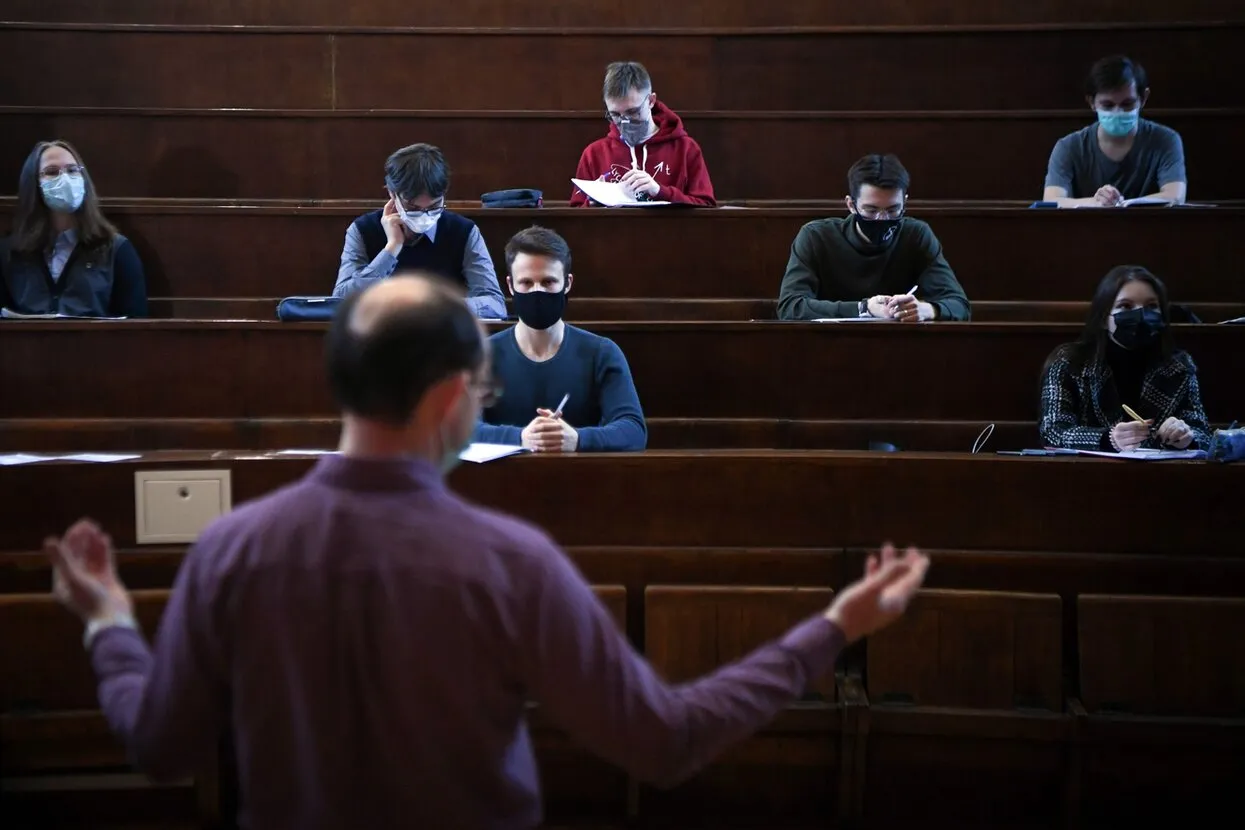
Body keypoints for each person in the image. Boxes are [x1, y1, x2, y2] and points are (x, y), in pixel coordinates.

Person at [43, 272, 930, 830]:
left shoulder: (232, 550)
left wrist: (112, 625)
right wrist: (831, 628)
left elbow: (158, 746)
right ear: (448, 399)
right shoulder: (511, 560)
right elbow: (666, 741)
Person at [475, 226, 646, 452]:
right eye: (526, 282)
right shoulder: (481, 355)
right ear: (510, 286)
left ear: (567, 283)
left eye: (548, 282)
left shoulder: (602, 353)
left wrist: (576, 439)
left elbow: (633, 430)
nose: (537, 291)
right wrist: (521, 438)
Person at [777, 154, 971, 321]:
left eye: (893, 210)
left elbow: (959, 305)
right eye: (871, 210)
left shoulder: (916, 235)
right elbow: (790, 307)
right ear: (851, 205)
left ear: (904, 203)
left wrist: (926, 310)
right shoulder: (815, 237)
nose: (882, 219)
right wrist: (864, 308)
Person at [1040, 265, 1211, 452]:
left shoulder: (1179, 365)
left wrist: (1186, 437)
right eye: (1125, 306)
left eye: (1151, 306)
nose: (1141, 315)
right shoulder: (1069, 362)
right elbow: (1053, 432)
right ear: (1104, 318)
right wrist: (1108, 439)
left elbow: (1203, 433)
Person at [333, 143, 506, 318]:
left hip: (444, 334)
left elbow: (495, 304)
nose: (425, 215)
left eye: (434, 206)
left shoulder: (464, 231)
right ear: (393, 195)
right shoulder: (363, 229)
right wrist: (391, 249)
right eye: (412, 207)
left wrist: (433, 307)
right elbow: (340, 302)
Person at [0, 140, 147, 318]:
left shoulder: (117, 250)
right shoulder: (9, 252)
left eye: (72, 170)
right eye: (52, 172)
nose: (65, 179)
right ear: (34, 184)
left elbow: (136, 325)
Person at [1042, 55, 1187, 207]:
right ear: (1092, 103)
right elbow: (1052, 201)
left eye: (1127, 104)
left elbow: (1175, 196)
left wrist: (1121, 204)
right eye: (1108, 105)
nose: (1118, 111)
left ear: (1143, 99)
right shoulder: (1068, 147)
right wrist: (1096, 202)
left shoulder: (1166, 140)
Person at [569, 61, 716, 207]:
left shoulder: (686, 148)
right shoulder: (594, 154)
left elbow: (706, 207)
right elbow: (576, 217)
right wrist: (593, 203)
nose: (624, 122)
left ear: (651, 101)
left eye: (632, 112)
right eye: (615, 114)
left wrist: (660, 191)